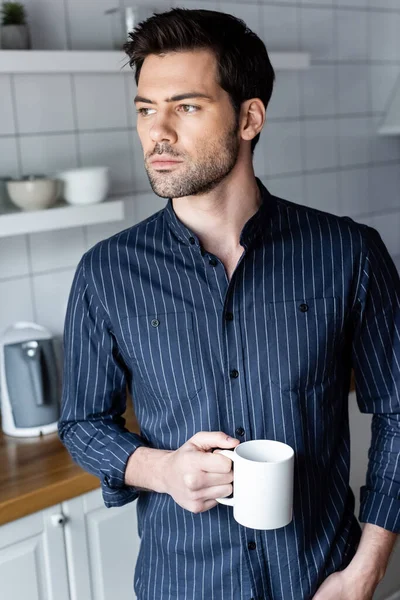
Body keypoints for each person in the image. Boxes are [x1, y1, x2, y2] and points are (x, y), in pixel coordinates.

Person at [58, 8, 400, 600]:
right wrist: (161, 469)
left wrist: (364, 571)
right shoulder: (107, 272)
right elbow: (82, 424)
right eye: (145, 109)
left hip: (321, 578)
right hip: (182, 582)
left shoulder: (348, 253)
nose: (157, 131)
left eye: (185, 107)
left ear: (249, 116)